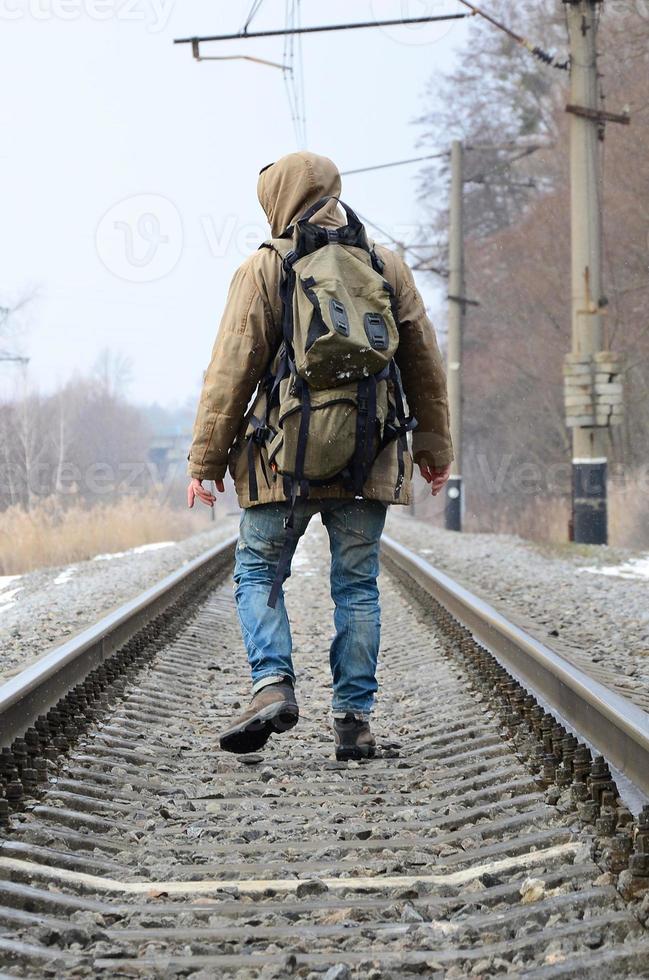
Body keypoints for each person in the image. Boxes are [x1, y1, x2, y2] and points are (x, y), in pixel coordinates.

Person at [187, 151, 453, 760]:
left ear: (278, 200)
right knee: (357, 587)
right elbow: (424, 365)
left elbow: (232, 371)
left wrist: (205, 463)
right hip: (371, 457)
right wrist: (434, 449)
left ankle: (272, 682)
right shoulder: (385, 264)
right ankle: (354, 722)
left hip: (282, 462)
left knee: (259, 570)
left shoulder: (265, 267)